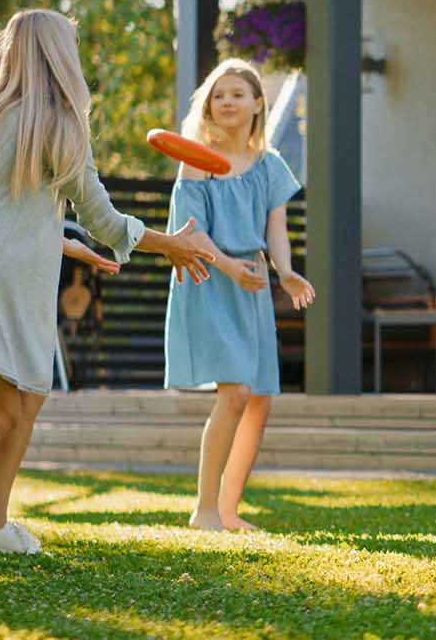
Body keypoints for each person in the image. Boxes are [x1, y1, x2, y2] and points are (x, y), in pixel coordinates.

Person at [0, 9, 221, 557]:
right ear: (62, 57)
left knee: (27, 396)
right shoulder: (58, 123)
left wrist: (62, 241)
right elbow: (104, 219)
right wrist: (173, 243)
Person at [163, 59, 315, 531]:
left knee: (258, 400)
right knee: (235, 393)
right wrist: (230, 267)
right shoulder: (196, 162)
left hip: (250, 286)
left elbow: (276, 230)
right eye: (218, 94)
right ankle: (204, 510)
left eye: (236, 94)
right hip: (210, 280)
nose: (226, 101)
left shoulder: (269, 165)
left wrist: (285, 272)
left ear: (256, 104)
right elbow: (190, 234)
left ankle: (227, 511)